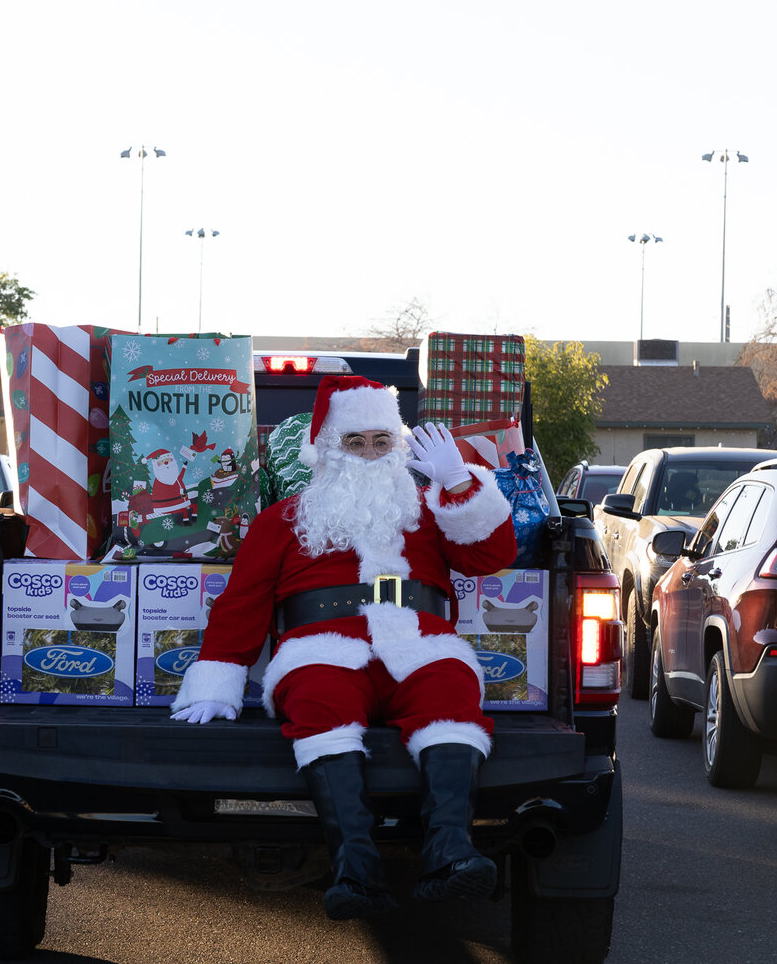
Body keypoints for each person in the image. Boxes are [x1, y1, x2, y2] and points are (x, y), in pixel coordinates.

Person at [170, 374, 517, 920]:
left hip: (420, 644)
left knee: (452, 689)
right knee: (318, 701)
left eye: (382, 442)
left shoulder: (428, 508)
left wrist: (459, 484)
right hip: (322, 649)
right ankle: (357, 868)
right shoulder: (283, 520)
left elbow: (490, 556)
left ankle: (450, 853)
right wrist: (219, 679)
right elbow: (242, 605)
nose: (371, 454)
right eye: (356, 443)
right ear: (329, 449)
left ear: (398, 446)